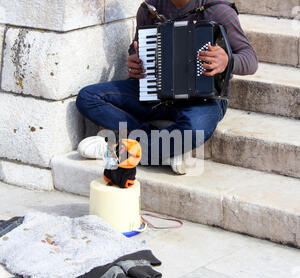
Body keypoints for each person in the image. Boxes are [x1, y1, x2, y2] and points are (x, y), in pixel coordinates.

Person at [76, 0, 258, 175]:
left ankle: (123, 148)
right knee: (88, 97)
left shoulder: (218, 10)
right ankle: (161, 148)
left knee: (195, 129)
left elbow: (250, 59)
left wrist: (228, 60)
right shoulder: (149, 9)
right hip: (155, 92)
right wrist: (135, 61)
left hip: (203, 99)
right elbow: (136, 48)